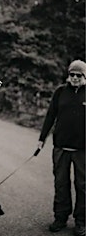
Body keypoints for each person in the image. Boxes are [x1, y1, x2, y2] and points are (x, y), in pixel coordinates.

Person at [37, 60, 85, 236]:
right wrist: (42, 138)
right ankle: (60, 217)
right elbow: (51, 115)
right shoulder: (60, 92)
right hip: (61, 147)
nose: (74, 78)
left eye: (78, 75)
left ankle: (81, 221)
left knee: (83, 186)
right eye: (72, 74)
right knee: (61, 184)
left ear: (84, 76)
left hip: (83, 150)